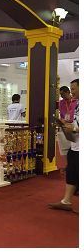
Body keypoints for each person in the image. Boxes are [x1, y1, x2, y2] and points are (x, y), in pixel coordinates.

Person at [50, 79, 78, 212]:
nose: (72, 92)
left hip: (76, 141)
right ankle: (66, 201)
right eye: (71, 89)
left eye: (73, 89)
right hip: (74, 143)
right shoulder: (74, 104)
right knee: (71, 170)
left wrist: (72, 127)